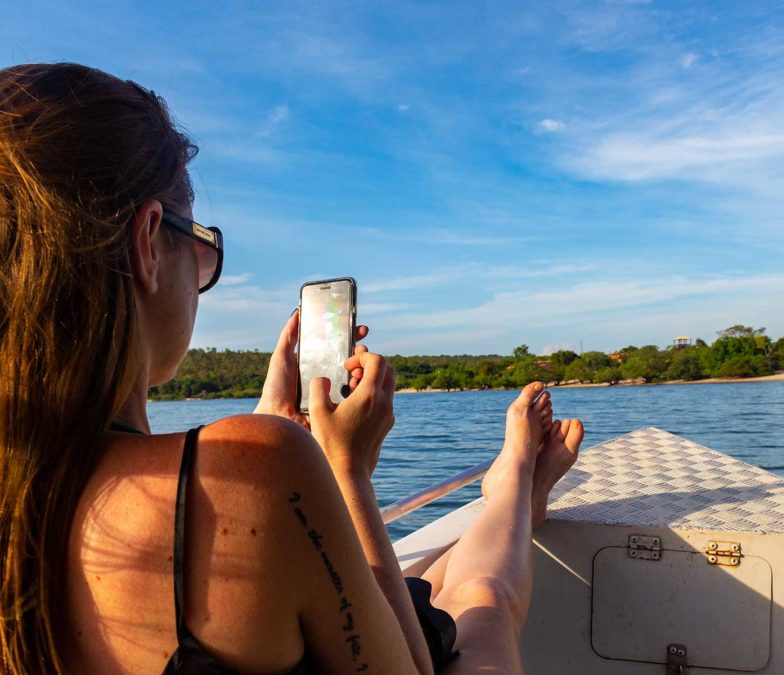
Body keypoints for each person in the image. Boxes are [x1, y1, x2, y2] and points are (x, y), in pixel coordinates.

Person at [0, 62, 584, 674]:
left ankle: (514, 498)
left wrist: (262, 421)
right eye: (199, 245)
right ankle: (515, 487)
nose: (201, 280)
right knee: (483, 602)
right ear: (148, 242)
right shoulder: (260, 471)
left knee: (430, 578)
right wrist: (346, 468)